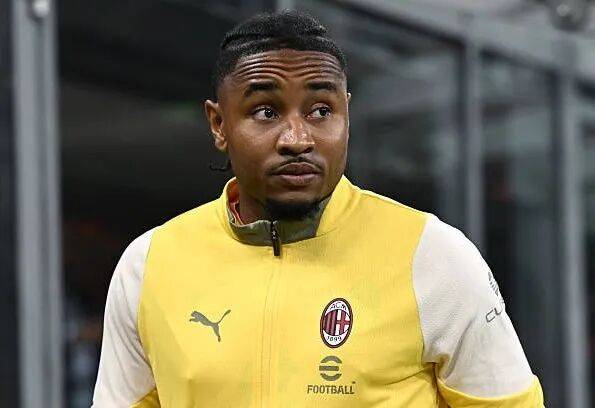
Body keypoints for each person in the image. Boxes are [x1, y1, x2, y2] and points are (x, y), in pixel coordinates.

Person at [92, 10, 544, 407]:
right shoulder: (149, 265)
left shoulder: (432, 256)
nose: (297, 139)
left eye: (321, 111)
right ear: (219, 123)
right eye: (266, 112)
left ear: (347, 113)